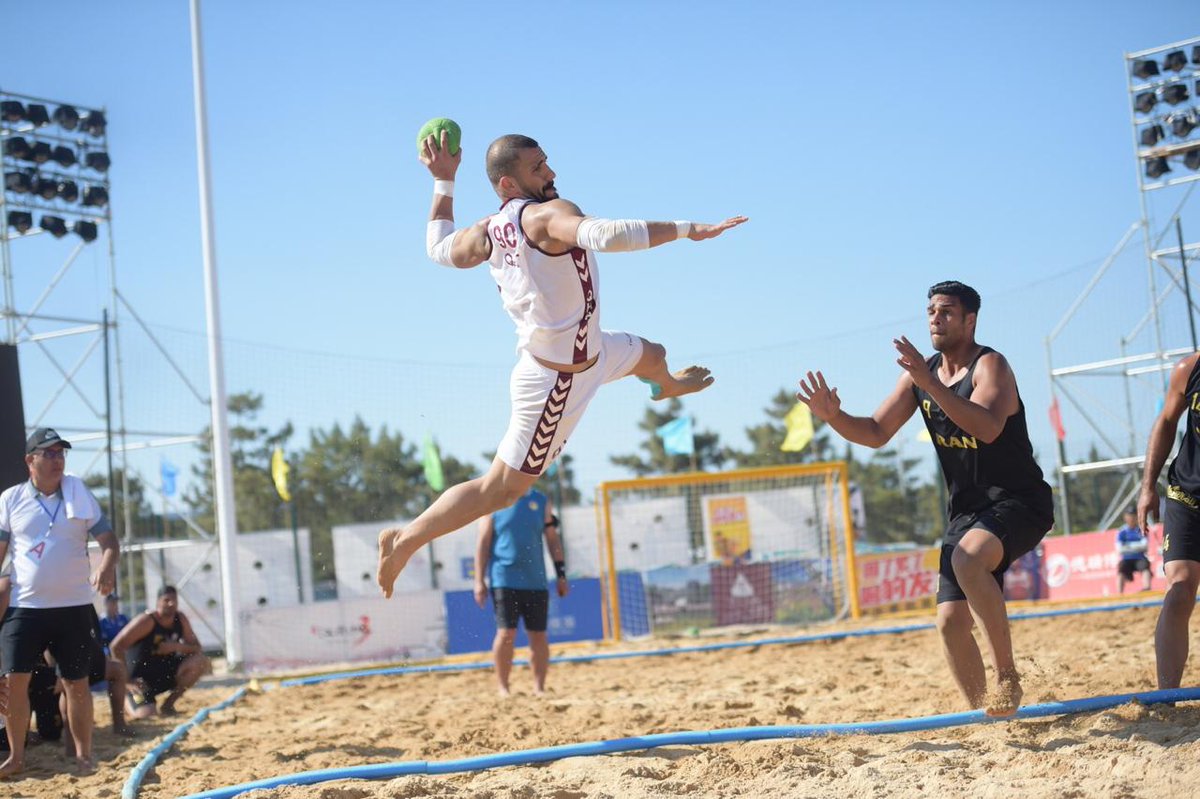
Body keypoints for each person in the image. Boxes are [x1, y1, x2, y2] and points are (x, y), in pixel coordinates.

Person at [377, 132, 746, 596]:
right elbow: (609, 235)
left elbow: (438, 248)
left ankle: (665, 384)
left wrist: (444, 182)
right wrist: (691, 228)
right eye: (538, 169)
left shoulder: (486, 231)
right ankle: (405, 539)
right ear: (509, 184)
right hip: (557, 382)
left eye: (547, 163)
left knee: (653, 354)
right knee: (501, 491)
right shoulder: (546, 215)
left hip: (590, 351)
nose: (550, 174)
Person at [797, 281, 1053, 717]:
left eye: (947, 311)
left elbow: (987, 428)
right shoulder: (923, 375)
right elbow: (876, 433)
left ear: (970, 320)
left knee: (968, 560)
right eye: (931, 310)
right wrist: (833, 417)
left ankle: (1007, 676)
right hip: (968, 511)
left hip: (1020, 500)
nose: (936, 318)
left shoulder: (991, 366)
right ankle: (986, 716)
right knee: (950, 622)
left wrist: (930, 383)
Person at [0, 427, 119, 776]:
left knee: (76, 684)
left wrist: (107, 566)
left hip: (74, 606)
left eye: (61, 453)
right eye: (49, 454)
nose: (57, 460)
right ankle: (17, 757)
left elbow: (109, 540)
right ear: (30, 460)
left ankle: (84, 756)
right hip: (26, 607)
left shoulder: (78, 491)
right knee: (14, 681)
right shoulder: (10, 500)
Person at [1137, 350, 1200, 689]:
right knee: (1179, 592)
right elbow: (1165, 421)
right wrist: (1148, 487)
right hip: (1187, 494)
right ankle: (1166, 699)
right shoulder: (1188, 369)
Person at [474, 488, 568, 696]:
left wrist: (561, 574)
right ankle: (503, 687)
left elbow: (552, 539)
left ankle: (539, 688)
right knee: (506, 633)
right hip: (504, 578)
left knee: (538, 635)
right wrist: (478, 580)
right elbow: (483, 542)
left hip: (536, 580)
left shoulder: (541, 500)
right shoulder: (494, 499)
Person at [110, 585, 209, 719]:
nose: (171, 603)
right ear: (158, 602)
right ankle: (128, 698)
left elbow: (197, 648)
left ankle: (168, 704)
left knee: (201, 662)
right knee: (147, 715)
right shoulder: (147, 621)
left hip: (163, 675)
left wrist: (175, 647)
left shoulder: (180, 619)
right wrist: (126, 680)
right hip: (139, 681)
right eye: (167, 600)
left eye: (174, 600)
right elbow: (116, 646)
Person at [1115, 507, 1152, 594]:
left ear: (1137, 517)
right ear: (1125, 517)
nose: (1131, 518)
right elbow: (1119, 549)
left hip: (1140, 558)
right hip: (1126, 559)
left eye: (1133, 516)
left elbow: (1145, 546)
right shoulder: (1122, 531)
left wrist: (1128, 546)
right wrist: (1137, 546)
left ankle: (1147, 589)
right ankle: (1119, 593)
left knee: (1145, 566)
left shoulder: (1141, 529)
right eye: (1129, 516)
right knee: (1121, 568)